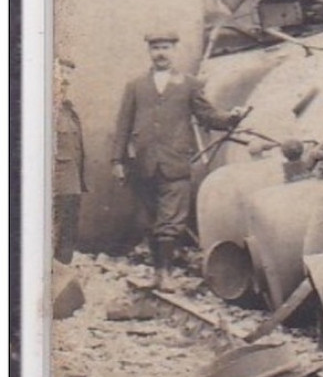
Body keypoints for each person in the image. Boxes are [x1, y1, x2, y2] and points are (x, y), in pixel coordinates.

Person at [111, 31, 244, 289]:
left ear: (174, 50)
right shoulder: (136, 85)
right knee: (150, 221)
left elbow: (208, 115)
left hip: (175, 163)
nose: (161, 53)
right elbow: (122, 125)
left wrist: (230, 118)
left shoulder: (189, 84)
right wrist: (117, 161)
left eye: (166, 47)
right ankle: (157, 273)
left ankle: (166, 274)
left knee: (170, 222)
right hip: (144, 164)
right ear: (149, 52)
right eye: (156, 48)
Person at [52, 58, 85, 264]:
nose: (65, 79)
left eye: (69, 74)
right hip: (55, 185)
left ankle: (61, 277)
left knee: (67, 233)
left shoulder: (68, 109)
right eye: (60, 73)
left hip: (71, 183)